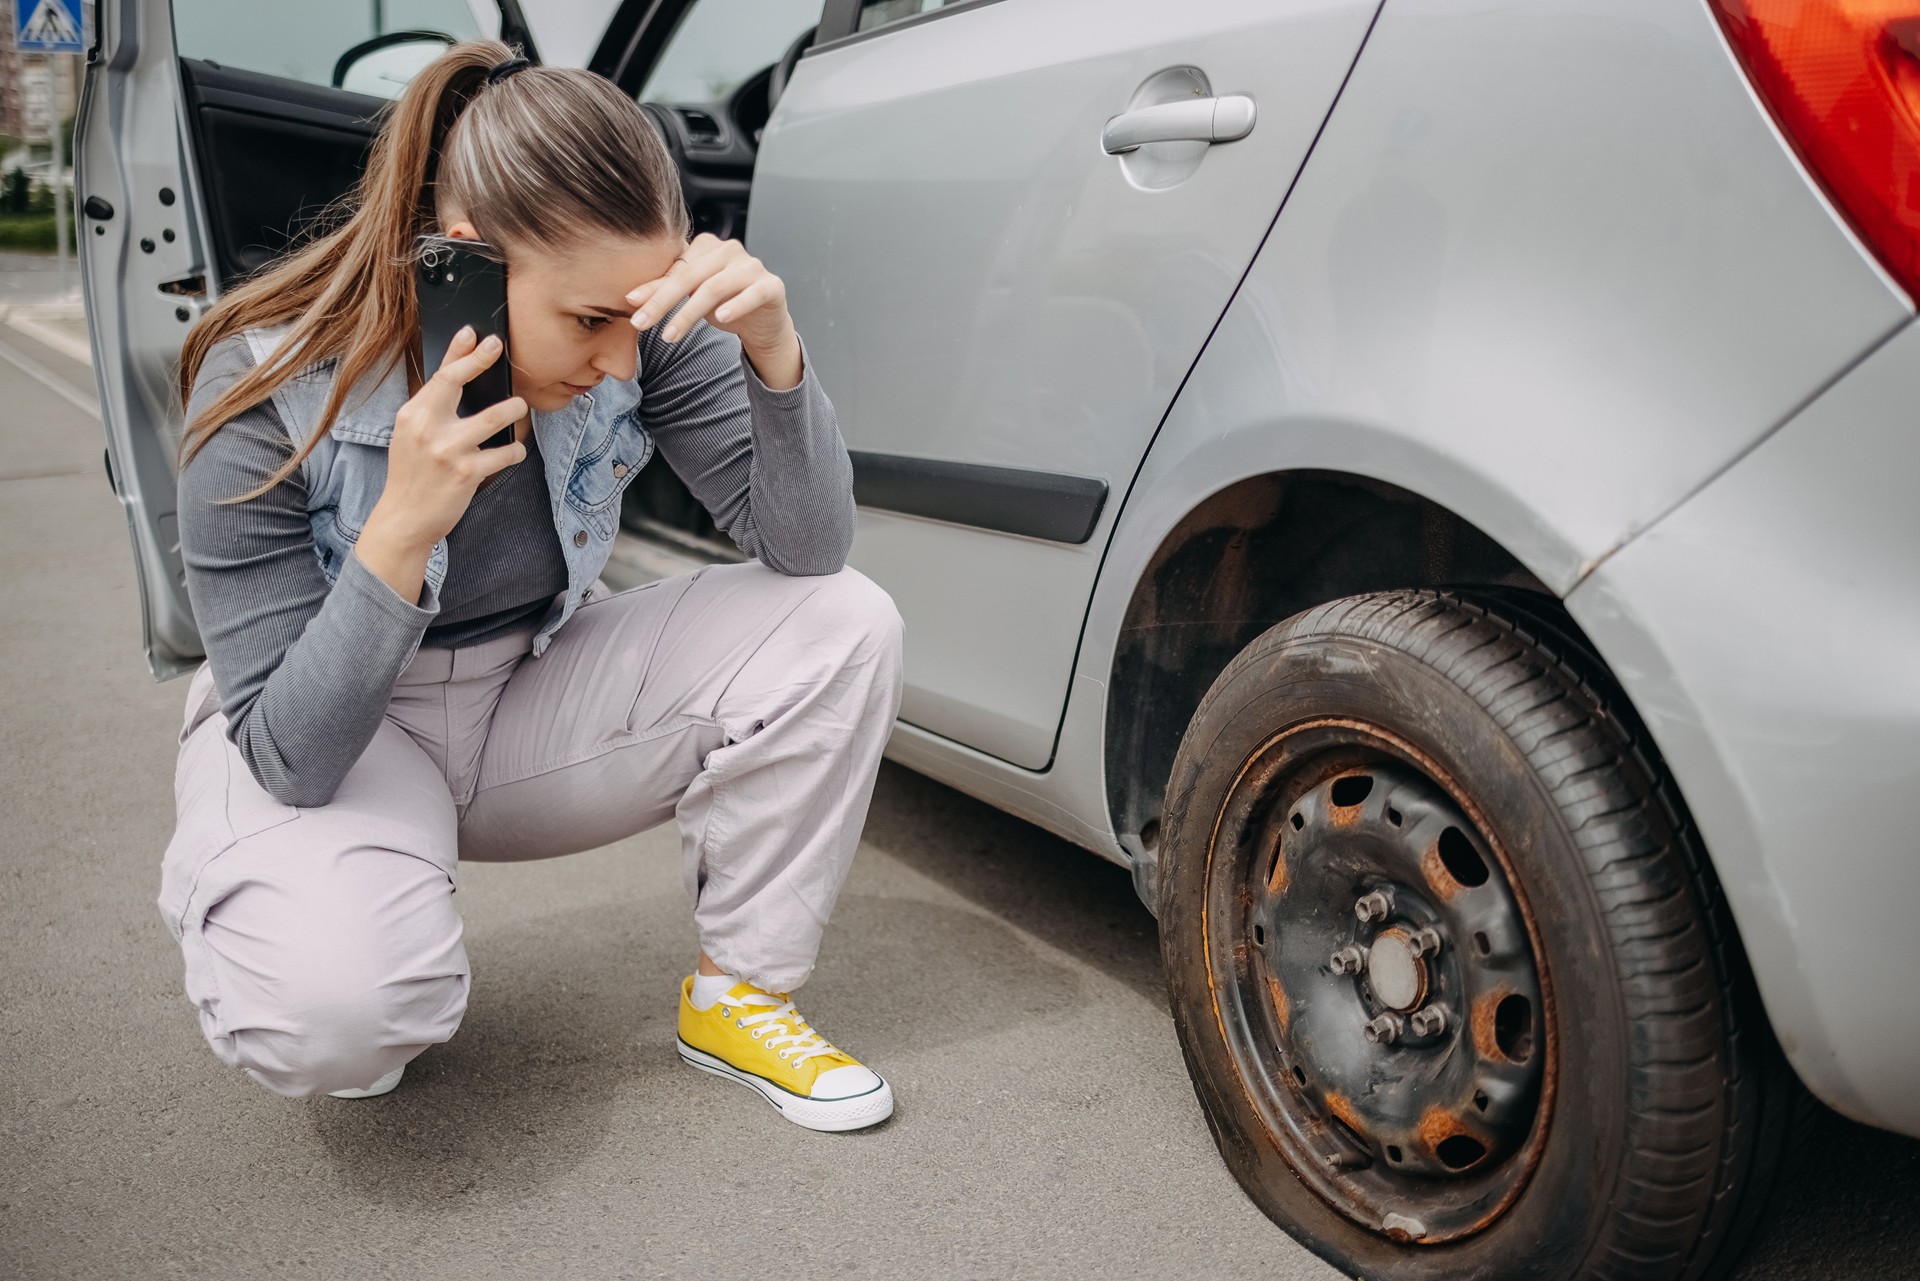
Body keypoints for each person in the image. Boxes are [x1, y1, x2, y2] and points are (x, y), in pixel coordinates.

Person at [157, 40, 904, 1133]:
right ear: (465, 258)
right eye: (591, 321)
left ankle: (738, 993)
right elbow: (291, 754)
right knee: (339, 1024)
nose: (618, 360)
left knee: (845, 620)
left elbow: (805, 550)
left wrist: (774, 353)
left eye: (633, 321)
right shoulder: (264, 388)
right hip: (333, 735)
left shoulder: (633, 329)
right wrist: (403, 527)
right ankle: (321, 916)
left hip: (527, 699)